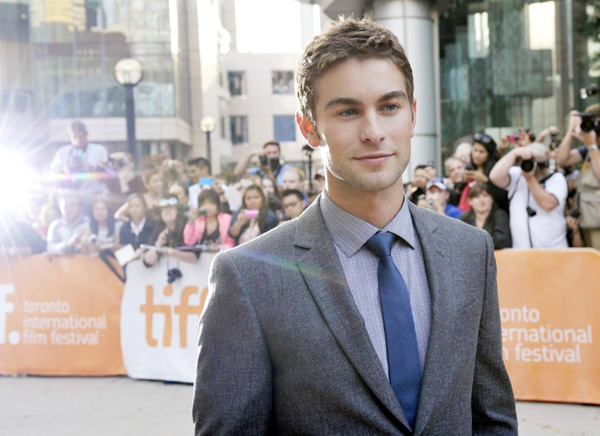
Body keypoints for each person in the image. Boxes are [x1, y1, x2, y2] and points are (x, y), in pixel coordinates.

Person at [193, 17, 516, 435]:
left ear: (413, 115)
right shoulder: (249, 274)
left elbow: (492, 419)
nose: (374, 132)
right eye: (348, 111)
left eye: (389, 107)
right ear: (309, 127)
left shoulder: (470, 250)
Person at [490, 142, 568, 249]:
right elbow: (495, 177)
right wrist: (514, 154)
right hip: (522, 253)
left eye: (540, 164)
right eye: (532, 163)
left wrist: (530, 178)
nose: (535, 169)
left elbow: (548, 204)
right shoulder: (517, 175)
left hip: (553, 251)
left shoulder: (557, 178)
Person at [554, 106, 600, 249]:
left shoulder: (592, 148)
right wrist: (570, 131)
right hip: (586, 222)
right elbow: (562, 160)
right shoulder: (589, 148)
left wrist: (592, 145)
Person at [49, 121, 113, 195]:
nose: (78, 140)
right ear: (69, 136)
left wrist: (97, 168)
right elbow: (53, 174)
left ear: (86, 134)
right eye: (74, 137)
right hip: (69, 195)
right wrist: (64, 171)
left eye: (81, 137)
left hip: (94, 193)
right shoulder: (62, 152)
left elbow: (110, 172)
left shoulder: (99, 150)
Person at [143, 197, 198, 266]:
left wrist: (174, 252)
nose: (167, 211)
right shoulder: (158, 230)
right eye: (164, 209)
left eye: (171, 208)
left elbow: (195, 258)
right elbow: (148, 262)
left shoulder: (187, 228)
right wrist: (158, 244)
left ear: (178, 212)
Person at [460, 132, 508, 211]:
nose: (476, 155)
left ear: (489, 155)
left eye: (481, 152)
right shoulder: (469, 169)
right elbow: (458, 198)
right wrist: (463, 183)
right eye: (475, 150)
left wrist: (485, 180)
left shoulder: (495, 170)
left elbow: (503, 197)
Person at [460, 182, 512, 249]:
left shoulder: (500, 215)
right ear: (470, 201)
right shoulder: (464, 217)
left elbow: (501, 241)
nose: (481, 200)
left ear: (492, 198)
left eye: (485, 195)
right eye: (477, 197)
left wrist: (473, 245)